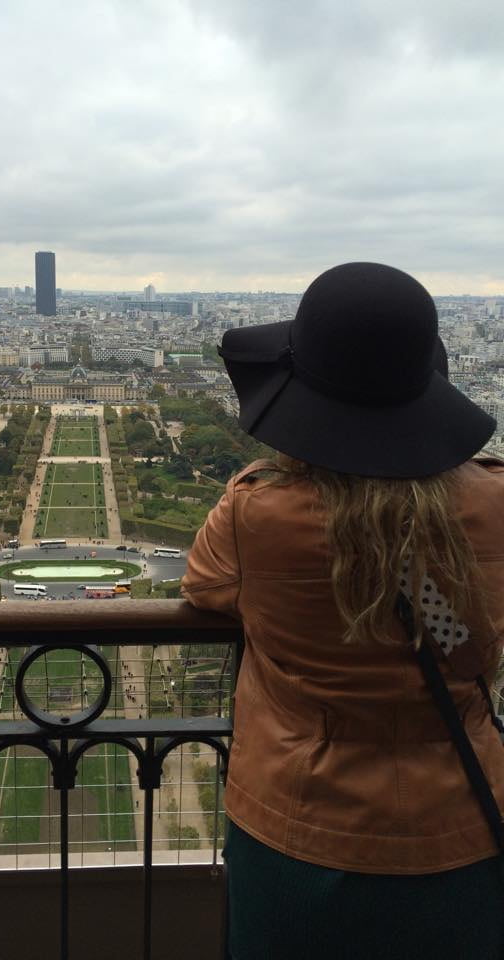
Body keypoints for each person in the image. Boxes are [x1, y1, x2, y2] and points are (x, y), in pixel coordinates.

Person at [180, 262, 504, 960]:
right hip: (460, 818)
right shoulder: (494, 504)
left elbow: (205, 588)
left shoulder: (259, 512)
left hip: (300, 823)